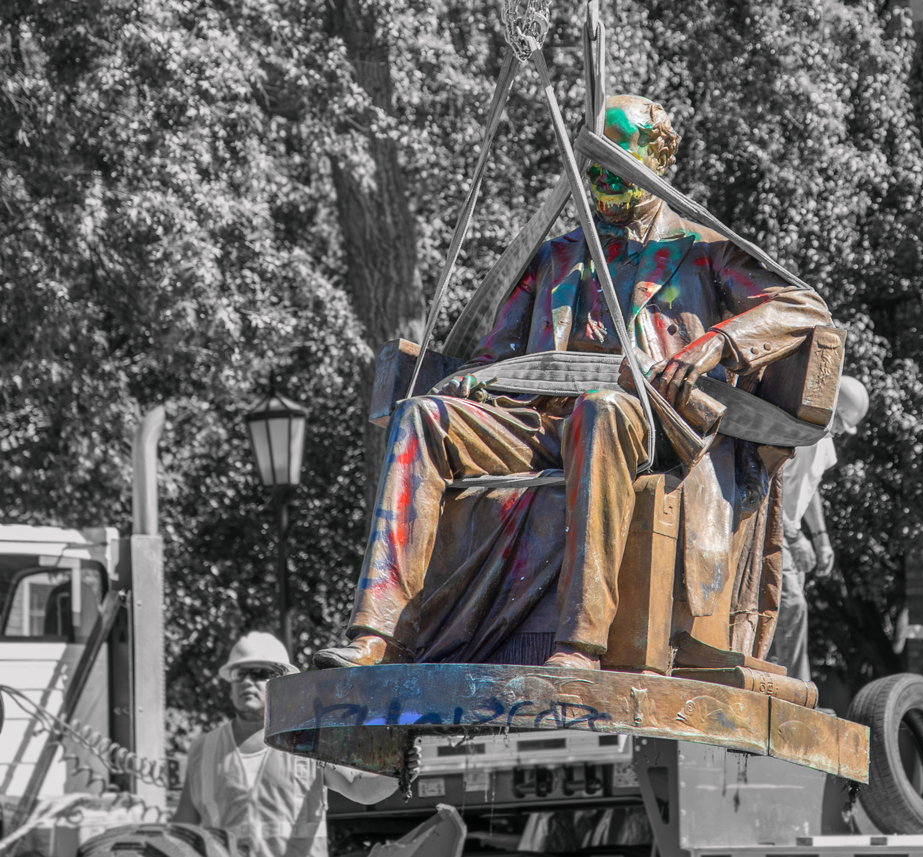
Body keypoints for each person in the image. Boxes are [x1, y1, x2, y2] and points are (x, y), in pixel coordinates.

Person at [314, 94, 832, 671]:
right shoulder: (556, 257)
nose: (603, 176)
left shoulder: (699, 249)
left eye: (619, 159)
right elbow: (496, 355)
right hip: (540, 420)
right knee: (420, 416)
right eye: (595, 164)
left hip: (646, 421)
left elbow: (803, 306)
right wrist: (472, 383)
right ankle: (379, 634)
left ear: (656, 157)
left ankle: (580, 640)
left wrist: (717, 343)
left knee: (601, 409)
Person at [174, 633, 399, 857]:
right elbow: (183, 833)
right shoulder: (204, 749)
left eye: (259, 673)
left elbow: (360, 790)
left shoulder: (309, 742)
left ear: (280, 682)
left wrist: (398, 767)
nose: (246, 681)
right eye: (239, 673)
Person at [768, 376, 868, 680]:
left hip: (788, 535)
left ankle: (776, 681)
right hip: (772, 532)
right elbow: (773, 482)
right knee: (790, 605)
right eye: (839, 421)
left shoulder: (824, 445)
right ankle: (798, 687)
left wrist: (822, 539)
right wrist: (796, 538)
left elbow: (810, 490)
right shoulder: (803, 433)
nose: (839, 430)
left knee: (782, 612)